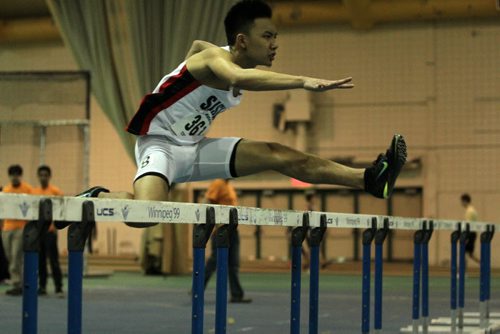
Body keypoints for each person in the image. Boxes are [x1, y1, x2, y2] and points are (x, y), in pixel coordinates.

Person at [69, 0, 407, 229]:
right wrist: (303, 81)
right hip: (159, 145)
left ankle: (370, 179)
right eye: (268, 36)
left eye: (276, 36)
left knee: (279, 153)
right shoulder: (213, 60)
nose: (275, 44)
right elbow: (236, 76)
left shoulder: (222, 59)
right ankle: (96, 197)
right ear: (242, 41)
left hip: (193, 147)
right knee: (145, 216)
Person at [203, 179, 251, 303]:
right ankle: (197, 288)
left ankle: (236, 294)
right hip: (221, 229)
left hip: (233, 229)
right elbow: (208, 201)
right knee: (214, 261)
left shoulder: (229, 186)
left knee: (233, 263)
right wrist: (214, 223)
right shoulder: (218, 183)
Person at [32, 165, 64, 297]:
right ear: (38, 177)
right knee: (41, 261)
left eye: (46, 175)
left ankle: (58, 287)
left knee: (54, 260)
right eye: (41, 175)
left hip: (50, 232)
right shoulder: (34, 193)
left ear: (49, 177)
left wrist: (55, 227)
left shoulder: (56, 192)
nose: (43, 177)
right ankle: (42, 286)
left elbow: (61, 211)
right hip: (39, 232)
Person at [1, 164, 33, 295]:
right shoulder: (5, 190)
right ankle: (17, 281)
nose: (14, 177)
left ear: (20, 176)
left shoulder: (27, 189)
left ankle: (18, 283)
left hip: (20, 228)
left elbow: (32, 208)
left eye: (17, 174)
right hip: (7, 228)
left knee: (16, 257)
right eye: (12, 174)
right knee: (10, 257)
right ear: (9, 176)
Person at [460, 193, 480, 264]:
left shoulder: (469, 211)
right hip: (472, 233)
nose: (461, 203)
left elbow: (468, 224)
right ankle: (483, 263)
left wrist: (464, 233)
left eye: (461, 202)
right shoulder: (472, 209)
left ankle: (462, 271)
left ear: (465, 201)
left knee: (463, 252)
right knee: (470, 254)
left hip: (470, 233)